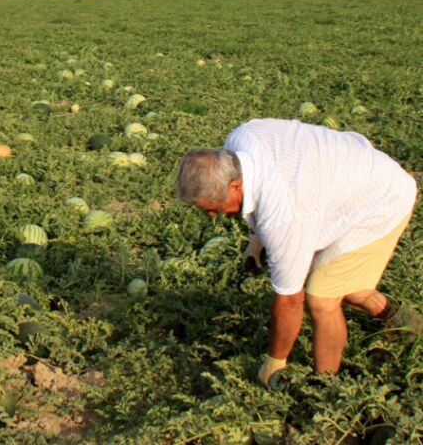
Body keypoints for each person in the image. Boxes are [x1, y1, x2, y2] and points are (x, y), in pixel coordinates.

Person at [176, 118, 420, 387]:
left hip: (380, 201)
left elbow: (290, 301)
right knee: (343, 283)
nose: (211, 216)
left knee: (322, 297)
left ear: (235, 186)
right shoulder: (240, 141)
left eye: (211, 206)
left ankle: (327, 388)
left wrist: (275, 362)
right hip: (352, 179)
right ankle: (406, 323)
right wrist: (257, 237)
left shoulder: (284, 217)